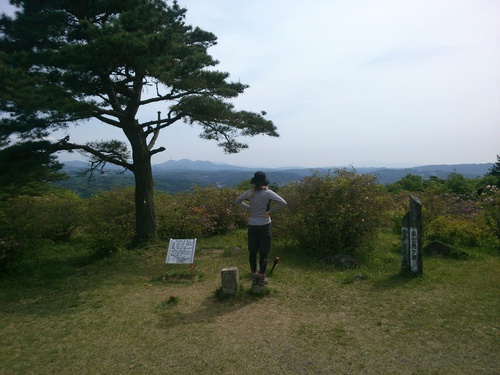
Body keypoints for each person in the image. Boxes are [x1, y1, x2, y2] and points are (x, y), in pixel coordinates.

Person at [235, 171, 287, 287]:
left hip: (252, 224)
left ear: (254, 182)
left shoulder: (250, 193)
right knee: (264, 252)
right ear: (264, 182)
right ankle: (261, 276)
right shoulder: (268, 193)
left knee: (252, 251)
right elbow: (283, 203)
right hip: (265, 224)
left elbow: (237, 201)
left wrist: (248, 208)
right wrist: (270, 212)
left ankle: (254, 275)